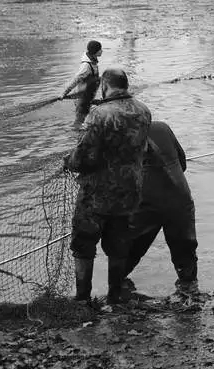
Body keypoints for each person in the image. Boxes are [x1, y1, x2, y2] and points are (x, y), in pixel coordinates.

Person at [62, 68, 152, 305]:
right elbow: (145, 151)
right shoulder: (144, 110)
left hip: (97, 193)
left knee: (83, 244)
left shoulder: (99, 114)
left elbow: (83, 156)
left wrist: (68, 162)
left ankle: (82, 298)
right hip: (130, 192)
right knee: (119, 244)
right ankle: (115, 294)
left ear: (105, 85)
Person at [120, 120, 199, 302]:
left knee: (127, 253)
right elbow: (182, 162)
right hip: (180, 199)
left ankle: (120, 290)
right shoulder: (162, 127)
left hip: (145, 205)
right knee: (185, 255)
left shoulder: (117, 137)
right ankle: (190, 296)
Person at [59, 40, 103, 124]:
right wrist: (64, 93)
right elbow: (76, 79)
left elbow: (92, 79)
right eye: (100, 49)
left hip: (87, 96)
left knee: (84, 119)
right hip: (82, 99)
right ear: (95, 51)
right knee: (79, 121)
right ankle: (76, 134)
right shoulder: (86, 66)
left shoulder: (93, 61)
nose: (102, 51)